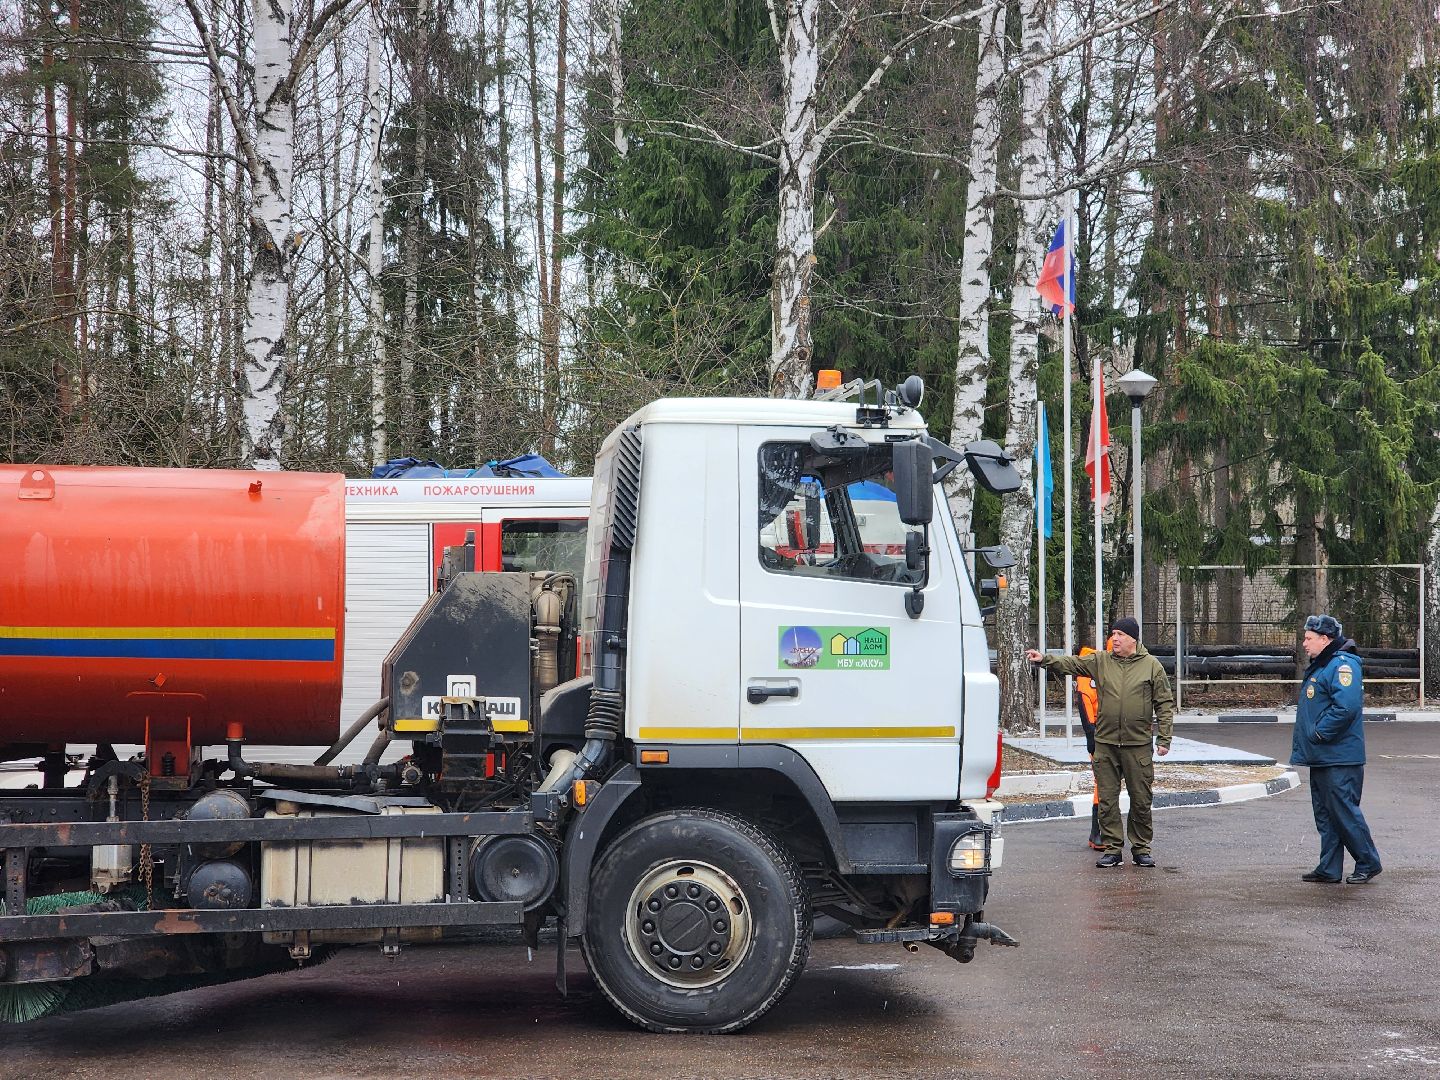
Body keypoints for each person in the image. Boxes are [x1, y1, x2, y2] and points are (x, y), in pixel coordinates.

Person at [1026, 616, 1173, 868]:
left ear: (1133, 639)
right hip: (1106, 743)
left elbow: (1164, 704)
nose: (1114, 638)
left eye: (1120, 634)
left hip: (1137, 745)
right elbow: (1071, 663)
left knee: (1140, 799)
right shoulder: (1101, 661)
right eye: (1113, 633)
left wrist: (1164, 738)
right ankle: (1113, 848)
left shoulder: (1151, 666)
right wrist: (1045, 660)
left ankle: (1141, 849)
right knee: (1107, 799)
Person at [1293, 614, 1382, 884]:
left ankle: (1368, 861)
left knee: (1344, 812)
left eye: (1309, 639)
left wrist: (1319, 732)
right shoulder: (1323, 665)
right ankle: (1330, 867)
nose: (1304, 644)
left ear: (1325, 639)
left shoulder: (1342, 665)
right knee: (1325, 814)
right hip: (1323, 756)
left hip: (1339, 757)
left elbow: (1346, 707)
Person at [1074, 644, 1103, 850]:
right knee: (1103, 783)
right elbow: (1086, 707)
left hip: (1104, 735)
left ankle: (1099, 833)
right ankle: (1098, 833)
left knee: (1103, 783)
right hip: (1104, 736)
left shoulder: (1089, 673)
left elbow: (1085, 707)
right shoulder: (1094, 671)